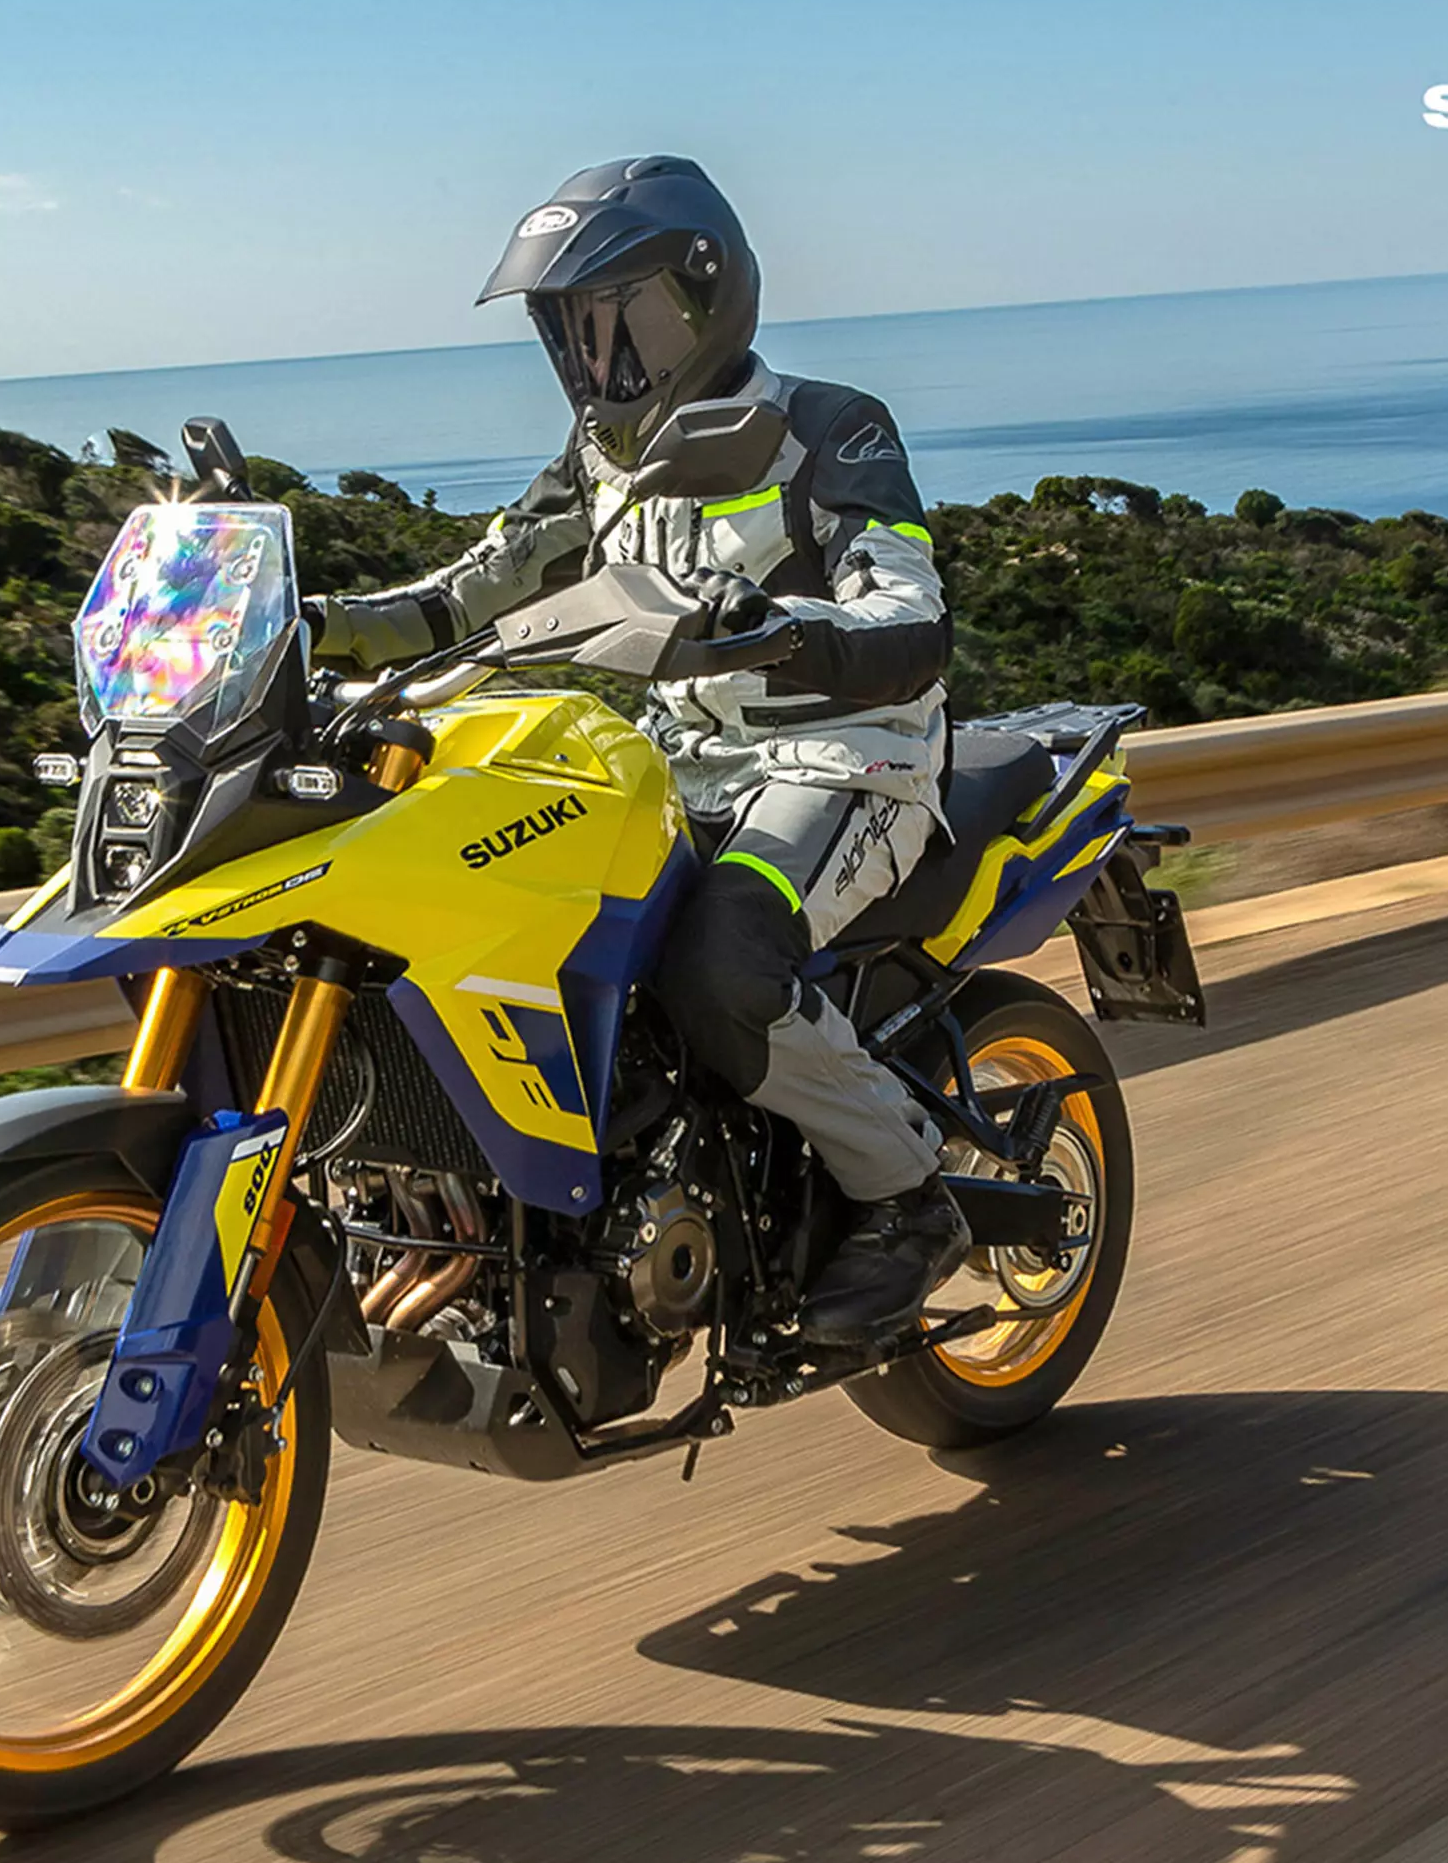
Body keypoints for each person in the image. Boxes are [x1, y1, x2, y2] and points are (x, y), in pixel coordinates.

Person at [307, 155, 970, 1350]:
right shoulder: (595, 462)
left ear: (704, 299)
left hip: (844, 759)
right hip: (668, 764)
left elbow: (909, 616)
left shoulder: (827, 429)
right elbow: (477, 589)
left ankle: (908, 1198)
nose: (592, 360)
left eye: (620, 322)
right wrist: (320, 626)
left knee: (721, 960)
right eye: (569, 330)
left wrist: (779, 629)